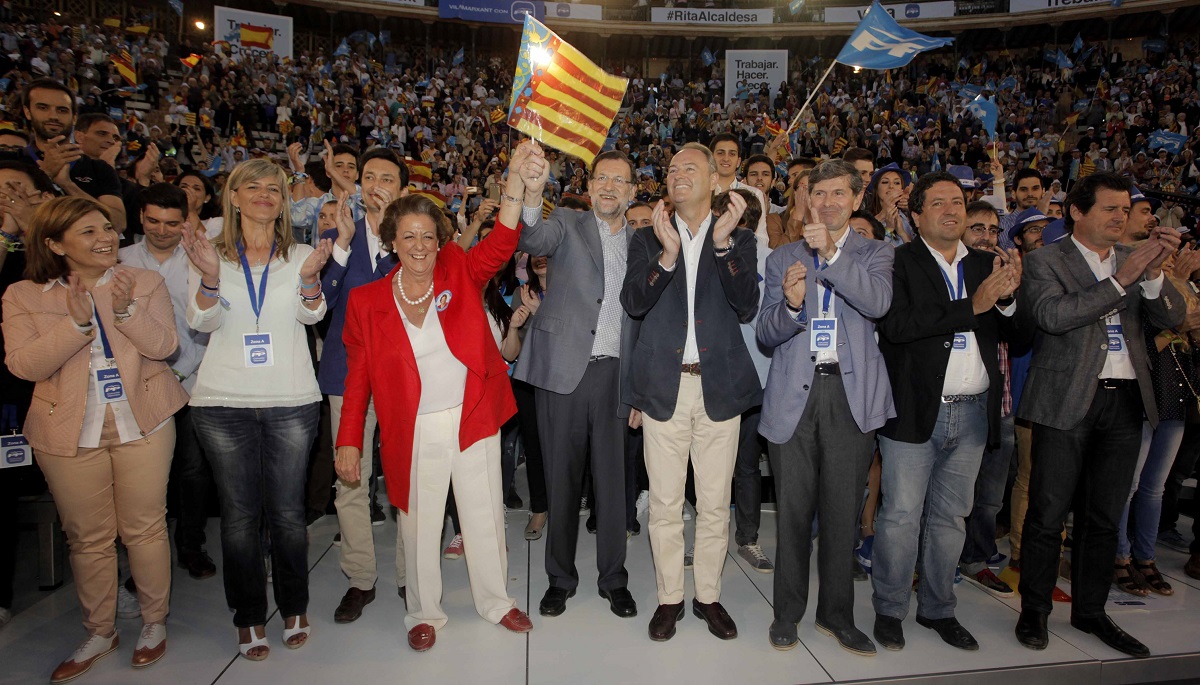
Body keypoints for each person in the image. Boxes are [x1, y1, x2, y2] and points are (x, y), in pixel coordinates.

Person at [335, 142, 541, 653]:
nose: (420, 245)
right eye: (409, 236)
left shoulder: (457, 271)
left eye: (428, 235)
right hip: (414, 427)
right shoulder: (366, 302)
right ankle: (423, 612)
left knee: (484, 512)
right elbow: (357, 379)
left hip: (471, 414)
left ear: (440, 240)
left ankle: (496, 601)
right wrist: (348, 442)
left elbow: (502, 241)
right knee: (419, 523)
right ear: (393, 242)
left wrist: (513, 182)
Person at [3, 196, 187, 681]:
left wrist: (124, 312)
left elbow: (166, 346)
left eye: (106, 227)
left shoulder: (143, 283)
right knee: (87, 538)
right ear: (54, 242)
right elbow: (25, 366)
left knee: (145, 527)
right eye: (87, 231)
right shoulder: (24, 295)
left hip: (142, 422)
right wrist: (77, 323)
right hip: (67, 431)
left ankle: (153, 622)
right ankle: (100, 630)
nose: (105, 237)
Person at [1014, 173, 1183, 659]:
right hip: (1066, 399)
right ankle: (1035, 611)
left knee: (1105, 516)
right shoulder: (1045, 259)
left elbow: (1172, 317)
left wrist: (1152, 277)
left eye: (1124, 209)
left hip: (1126, 400)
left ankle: (1090, 610)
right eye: (1110, 209)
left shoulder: (1137, 260)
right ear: (1077, 212)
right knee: (1048, 515)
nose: (1121, 217)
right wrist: (1120, 282)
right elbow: (1052, 317)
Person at [180, 158, 334, 661]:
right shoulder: (210, 253)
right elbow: (201, 321)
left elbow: (312, 314)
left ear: (284, 201)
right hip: (223, 402)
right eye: (255, 186)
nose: (266, 194)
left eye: (275, 187)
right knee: (240, 518)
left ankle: (293, 605)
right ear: (235, 196)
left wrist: (311, 280)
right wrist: (207, 276)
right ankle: (248, 616)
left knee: (288, 515)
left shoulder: (303, 253)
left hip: (291, 399)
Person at [873, 171, 1023, 652]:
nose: (952, 210)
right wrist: (971, 307)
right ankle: (890, 609)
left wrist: (1010, 300)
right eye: (937, 203)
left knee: (951, 518)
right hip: (917, 410)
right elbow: (897, 326)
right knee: (900, 516)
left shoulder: (986, 263)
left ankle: (938, 609)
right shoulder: (896, 262)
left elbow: (1019, 339)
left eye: (957, 201)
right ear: (915, 216)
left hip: (975, 412)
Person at [620, 142, 760, 642]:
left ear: (715, 181)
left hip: (718, 387)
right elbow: (634, 302)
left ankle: (708, 596)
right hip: (664, 388)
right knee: (664, 501)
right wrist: (668, 255)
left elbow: (747, 306)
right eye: (672, 168)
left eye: (690, 168)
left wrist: (721, 248)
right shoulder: (646, 238)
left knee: (715, 502)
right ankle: (668, 599)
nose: (678, 174)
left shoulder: (738, 238)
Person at [757, 159, 895, 655]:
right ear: (807, 199)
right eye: (820, 194)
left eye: (840, 194)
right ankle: (786, 615)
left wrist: (832, 254)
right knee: (793, 514)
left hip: (851, 397)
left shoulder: (878, 253)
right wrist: (792, 306)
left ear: (857, 200)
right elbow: (767, 333)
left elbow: (878, 303)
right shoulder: (782, 257)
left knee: (842, 514)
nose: (829, 203)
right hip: (795, 393)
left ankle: (836, 615)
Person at [512, 149, 640, 620]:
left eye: (618, 180)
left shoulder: (643, 243)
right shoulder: (565, 222)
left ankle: (614, 580)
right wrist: (532, 190)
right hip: (563, 372)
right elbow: (529, 233)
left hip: (614, 375)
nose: (608, 186)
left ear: (631, 191)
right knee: (561, 481)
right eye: (601, 178)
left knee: (613, 485)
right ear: (589, 188)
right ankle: (559, 580)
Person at [319, 148, 410, 625]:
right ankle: (360, 578)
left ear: (401, 190)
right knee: (350, 480)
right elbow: (321, 304)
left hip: (401, 381)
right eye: (369, 176)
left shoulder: (415, 243)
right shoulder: (339, 236)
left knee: (405, 480)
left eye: (387, 178)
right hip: (346, 377)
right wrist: (340, 247)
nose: (377, 184)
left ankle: (406, 574)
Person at [116, 184, 215, 580]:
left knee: (192, 471)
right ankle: (138, 560)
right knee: (139, 478)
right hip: (133, 384)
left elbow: (205, 324)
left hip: (190, 379)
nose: (162, 230)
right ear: (141, 217)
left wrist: (179, 370)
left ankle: (190, 546)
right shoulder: (119, 261)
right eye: (154, 221)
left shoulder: (198, 262)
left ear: (185, 222)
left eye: (172, 223)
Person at [21, 79, 127, 233]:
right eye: (43, 108)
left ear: (74, 117)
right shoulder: (8, 161)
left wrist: (67, 184)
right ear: (27, 112)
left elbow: (117, 224)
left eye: (62, 110)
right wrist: (46, 175)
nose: (53, 116)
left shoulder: (98, 169)